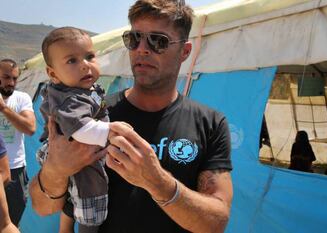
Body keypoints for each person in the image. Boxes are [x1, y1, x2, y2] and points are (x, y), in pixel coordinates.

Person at [29, 1, 234, 233]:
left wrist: (156, 181)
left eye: (158, 41)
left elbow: (216, 223)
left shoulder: (210, 123)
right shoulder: (95, 117)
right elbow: (44, 208)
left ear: (185, 51)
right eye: (134, 39)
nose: (142, 49)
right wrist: (55, 171)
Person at [37, 27, 129, 231]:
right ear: (53, 73)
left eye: (89, 56)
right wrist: (110, 132)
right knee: (91, 192)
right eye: (72, 61)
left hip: (77, 149)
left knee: (75, 190)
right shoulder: (69, 99)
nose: (85, 65)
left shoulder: (82, 89)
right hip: (72, 149)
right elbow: (80, 129)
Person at [0, 59, 36, 226]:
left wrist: (4, 109)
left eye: (15, 79)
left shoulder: (22, 98)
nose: (11, 83)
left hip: (15, 172)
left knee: (13, 222)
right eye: (6, 77)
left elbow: (30, 128)